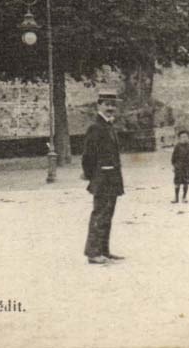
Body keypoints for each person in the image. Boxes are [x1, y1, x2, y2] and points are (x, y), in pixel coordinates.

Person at [82, 92, 125, 265]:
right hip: (102, 178)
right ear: (98, 105)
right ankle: (93, 253)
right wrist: (92, 176)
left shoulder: (108, 126)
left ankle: (104, 251)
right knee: (99, 214)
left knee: (108, 214)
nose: (110, 108)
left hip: (112, 178)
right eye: (107, 104)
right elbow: (88, 156)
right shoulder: (96, 127)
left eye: (113, 105)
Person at [171, 130, 189, 203]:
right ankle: (176, 197)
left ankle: (184, 197)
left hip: (187, 167)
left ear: (188, 137)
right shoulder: (177, 146)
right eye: (182, 137)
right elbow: (173, 158)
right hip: (178, 166)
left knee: (186, 182)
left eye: (185, 137)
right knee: (177, 182)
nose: (184, 138)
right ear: (179, 138)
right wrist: (174, 166)